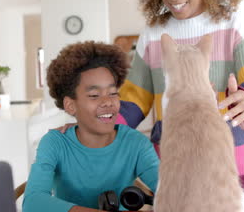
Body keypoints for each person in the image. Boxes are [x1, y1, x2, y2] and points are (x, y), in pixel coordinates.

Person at [120, 0, 244, 210]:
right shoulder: (152, 34)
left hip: (227, 178)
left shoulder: (236, 23)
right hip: (173, 177)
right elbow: (132, 100)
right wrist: (91, 131)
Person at [23, 41, 160, 212]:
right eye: (94, 95)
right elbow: (33, 202)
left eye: (113, 93)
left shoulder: (135, 143)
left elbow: (168, 188)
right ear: (71, 106)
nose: (108, 102)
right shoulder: (55, 143)